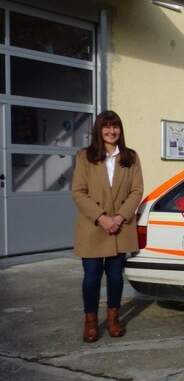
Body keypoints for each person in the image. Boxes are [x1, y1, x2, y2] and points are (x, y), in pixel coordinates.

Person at [71, 111, 144, 342]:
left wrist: (120, 217)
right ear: (99, 130)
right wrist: (102, 217)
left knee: (115, 276)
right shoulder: (85, 156)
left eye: (116, 127)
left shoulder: (130, 157)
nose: (112, 131)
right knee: (91, 277)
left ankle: (113, 319)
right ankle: (90, 322)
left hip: (120, 228)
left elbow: (137, 191)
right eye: (107, 127)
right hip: (94, 227)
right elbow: (78, 192)